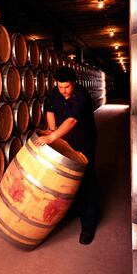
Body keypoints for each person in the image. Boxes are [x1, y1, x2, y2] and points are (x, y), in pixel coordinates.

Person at [35, 66, 98, 245]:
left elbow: (72, 120)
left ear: (74, 84)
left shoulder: (82, 96)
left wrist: (52, 137)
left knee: (86, 181)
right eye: (60, 87)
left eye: (67, 87)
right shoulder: (56, 92)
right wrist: (53, 129)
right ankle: (74, 209)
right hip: (65, 140)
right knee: (64, 179)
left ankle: (88, 225)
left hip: (83, 143)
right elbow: (50, 110)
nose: (63, 91)